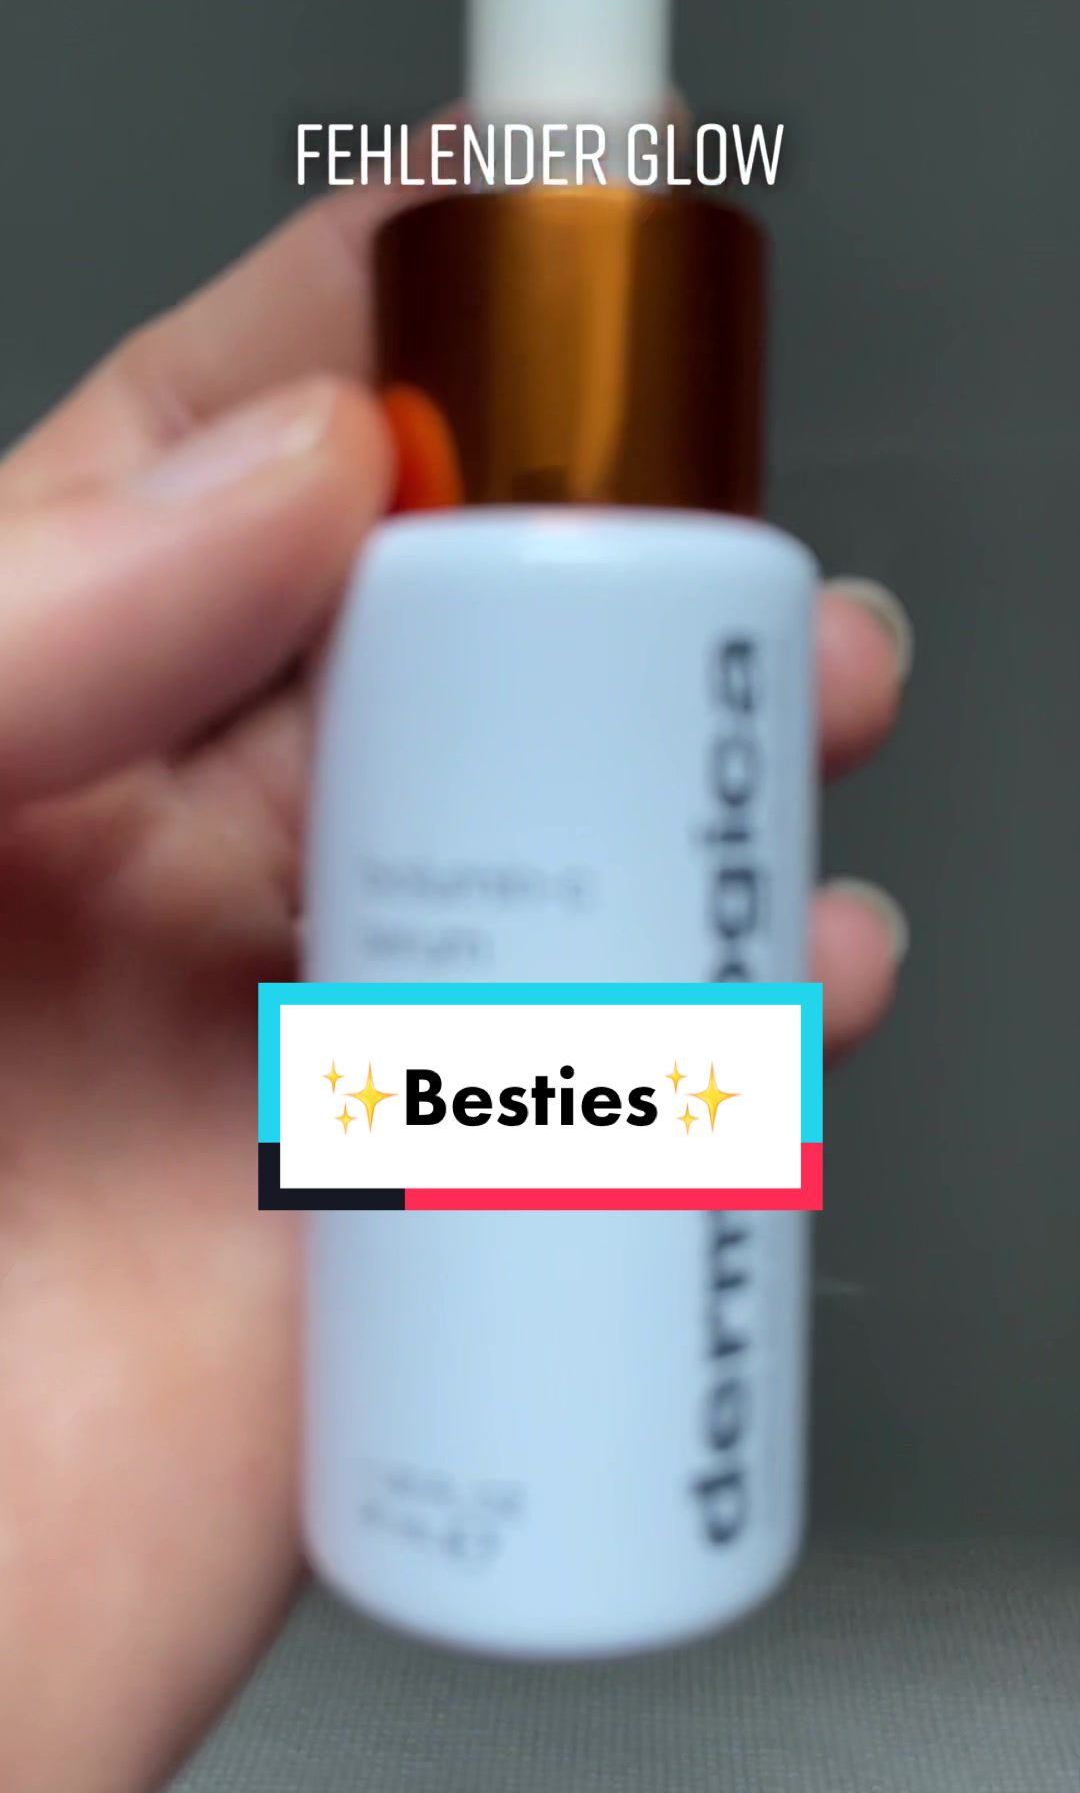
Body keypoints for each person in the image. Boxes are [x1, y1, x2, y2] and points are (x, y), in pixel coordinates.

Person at [0, 129, 911, 1793]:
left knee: (700, 1063)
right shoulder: (406, 584)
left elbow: (482, 1096)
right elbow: (413, 1094)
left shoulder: (706, 593)